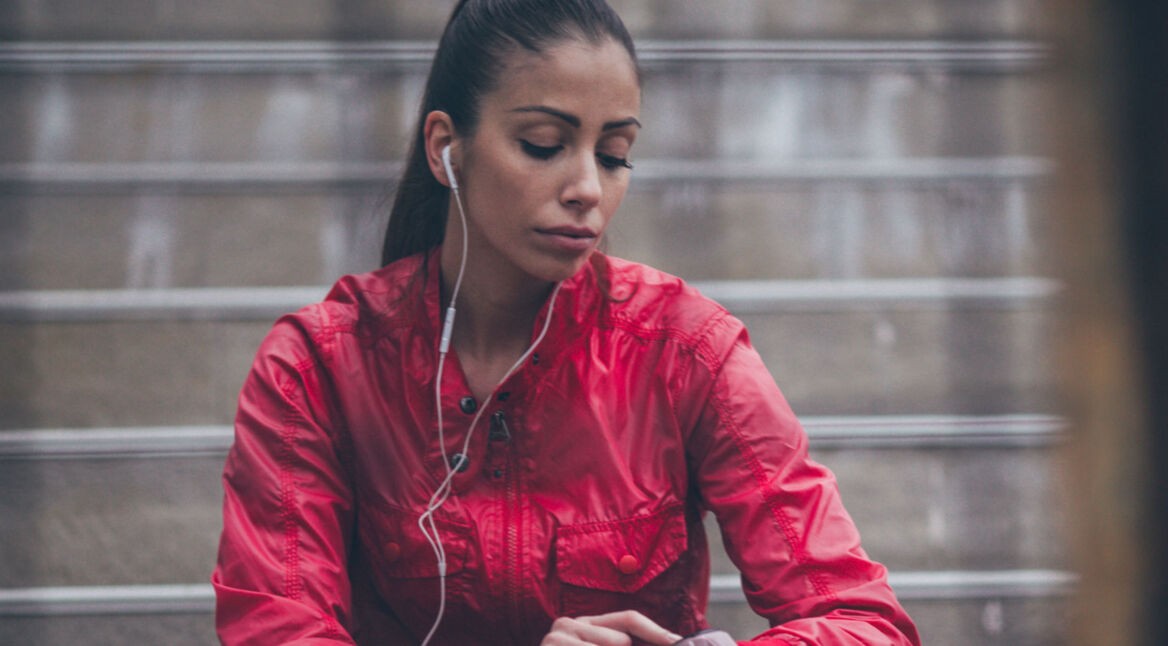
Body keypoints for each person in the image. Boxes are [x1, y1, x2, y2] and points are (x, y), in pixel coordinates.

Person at [212, 1, 921, 644]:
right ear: (444, 148)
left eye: (614, 156)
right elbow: (275, 626)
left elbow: (861, 621)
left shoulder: (685, 351)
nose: (588, 187)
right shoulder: (318, 366)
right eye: (545, 144)